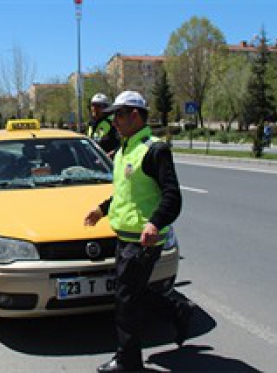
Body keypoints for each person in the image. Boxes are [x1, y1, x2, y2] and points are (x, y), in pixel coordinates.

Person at [84, 91, 194, 372]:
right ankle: (176, 310)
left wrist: (154, 223)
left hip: (143, 241)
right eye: (112, 116)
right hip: (125, 237)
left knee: (125, 300)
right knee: (132, 293)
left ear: (135, 115)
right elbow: (126, 195)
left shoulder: (153, 149)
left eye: (119, 115)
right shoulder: (123, 150)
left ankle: (128, 362)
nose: (114, 121)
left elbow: (172, 196)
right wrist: (101, 209)